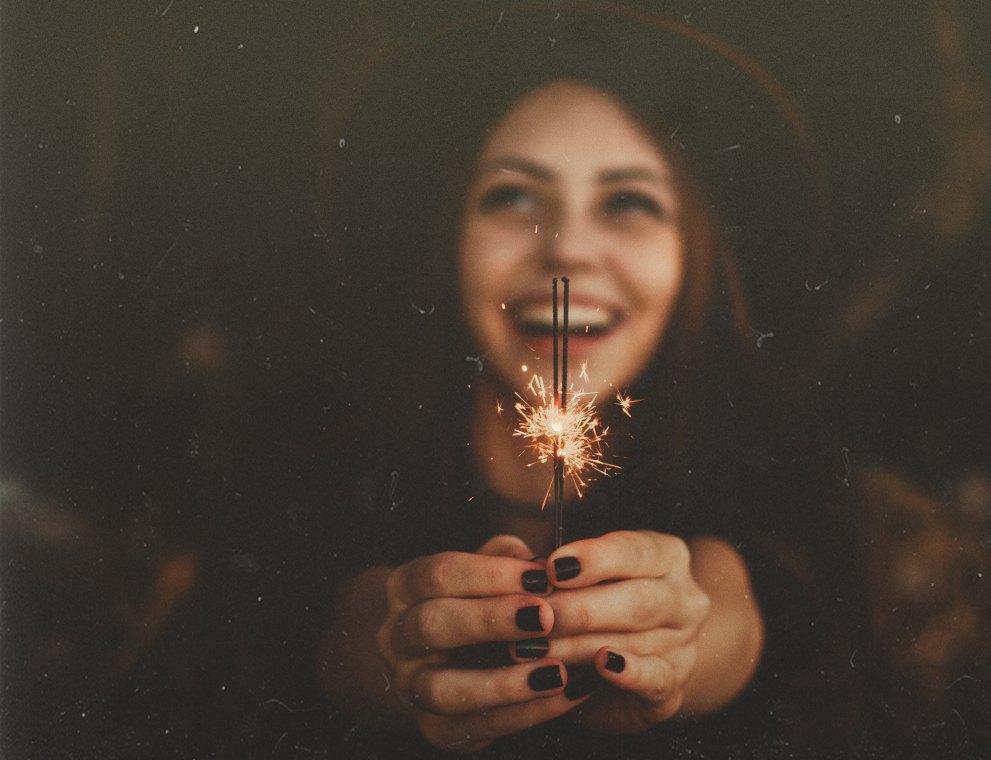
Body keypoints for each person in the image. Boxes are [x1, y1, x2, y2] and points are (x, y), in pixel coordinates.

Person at [308, 7, 827, 757]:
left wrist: (682, 648)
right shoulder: (328, 475)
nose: (570, 253)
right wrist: (386, 653)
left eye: (629, 202)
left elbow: (738, 605)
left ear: (697, 251)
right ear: (446, 235)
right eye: (513, 197)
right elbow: (334, 630)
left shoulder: (773, 481)